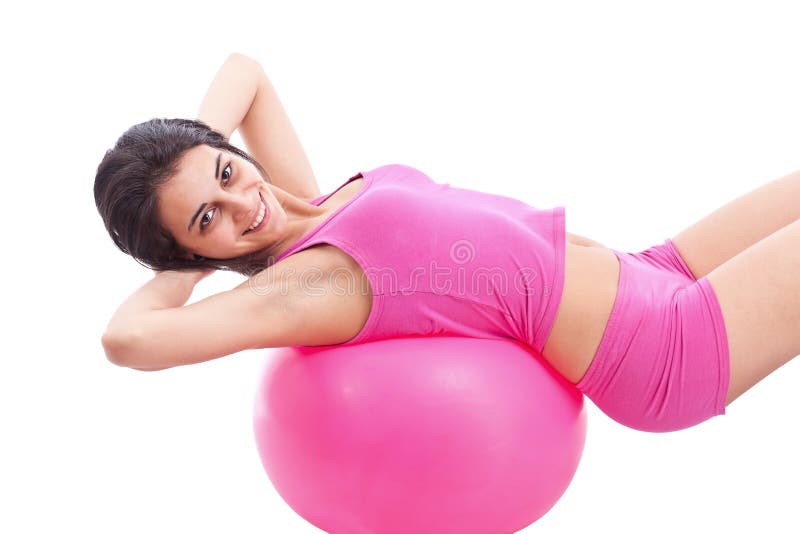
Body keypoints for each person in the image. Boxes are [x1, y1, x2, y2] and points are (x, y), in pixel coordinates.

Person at [95, 53, 800, 433]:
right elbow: (128, 340)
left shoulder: (303, 205)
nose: (242, 204)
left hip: (654, 269)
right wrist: (179, 265)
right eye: (207, 220)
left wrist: (195, 150)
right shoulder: (303, 285)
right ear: (193, 251)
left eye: (226, 171)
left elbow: (244, 71)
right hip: (663, 347)